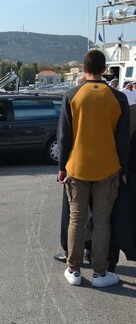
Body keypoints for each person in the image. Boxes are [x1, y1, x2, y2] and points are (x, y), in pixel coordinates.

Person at [57, 49, 130, 287]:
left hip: (77, 167)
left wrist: (61, 167)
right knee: (102, 221)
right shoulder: (118, 98)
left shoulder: (71, 95)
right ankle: (100, 273)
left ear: (84, 68)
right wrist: (124, 169)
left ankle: (74, 270)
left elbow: (64, 136)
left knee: (76, 219)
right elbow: (122, 139)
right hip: (108, 168)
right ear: (104, 70)